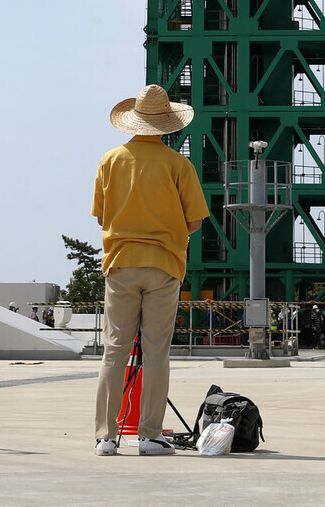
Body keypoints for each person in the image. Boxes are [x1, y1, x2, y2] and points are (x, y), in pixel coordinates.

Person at [91, 83, 208, 456]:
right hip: (164, 264)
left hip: (121, 262)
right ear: (167, 125)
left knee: (114, 350)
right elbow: (194, 223)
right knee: (157, 351)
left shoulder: (110, 160)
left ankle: (106, 437)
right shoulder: (179, 165)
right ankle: (149, 435)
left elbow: (102, 217)